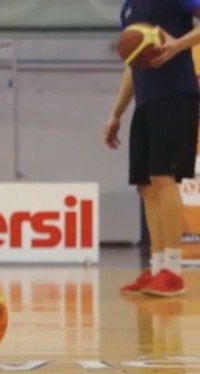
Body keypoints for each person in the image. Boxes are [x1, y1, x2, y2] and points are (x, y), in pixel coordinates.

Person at [109, 0, 200, 297]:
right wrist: (116, 114)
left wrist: (178, 45)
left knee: (163, 179)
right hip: (145, 103)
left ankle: (173, 272)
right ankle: (158, 265)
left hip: (176, 95)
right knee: (146, 185)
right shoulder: (128, 9)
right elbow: (132, 64)